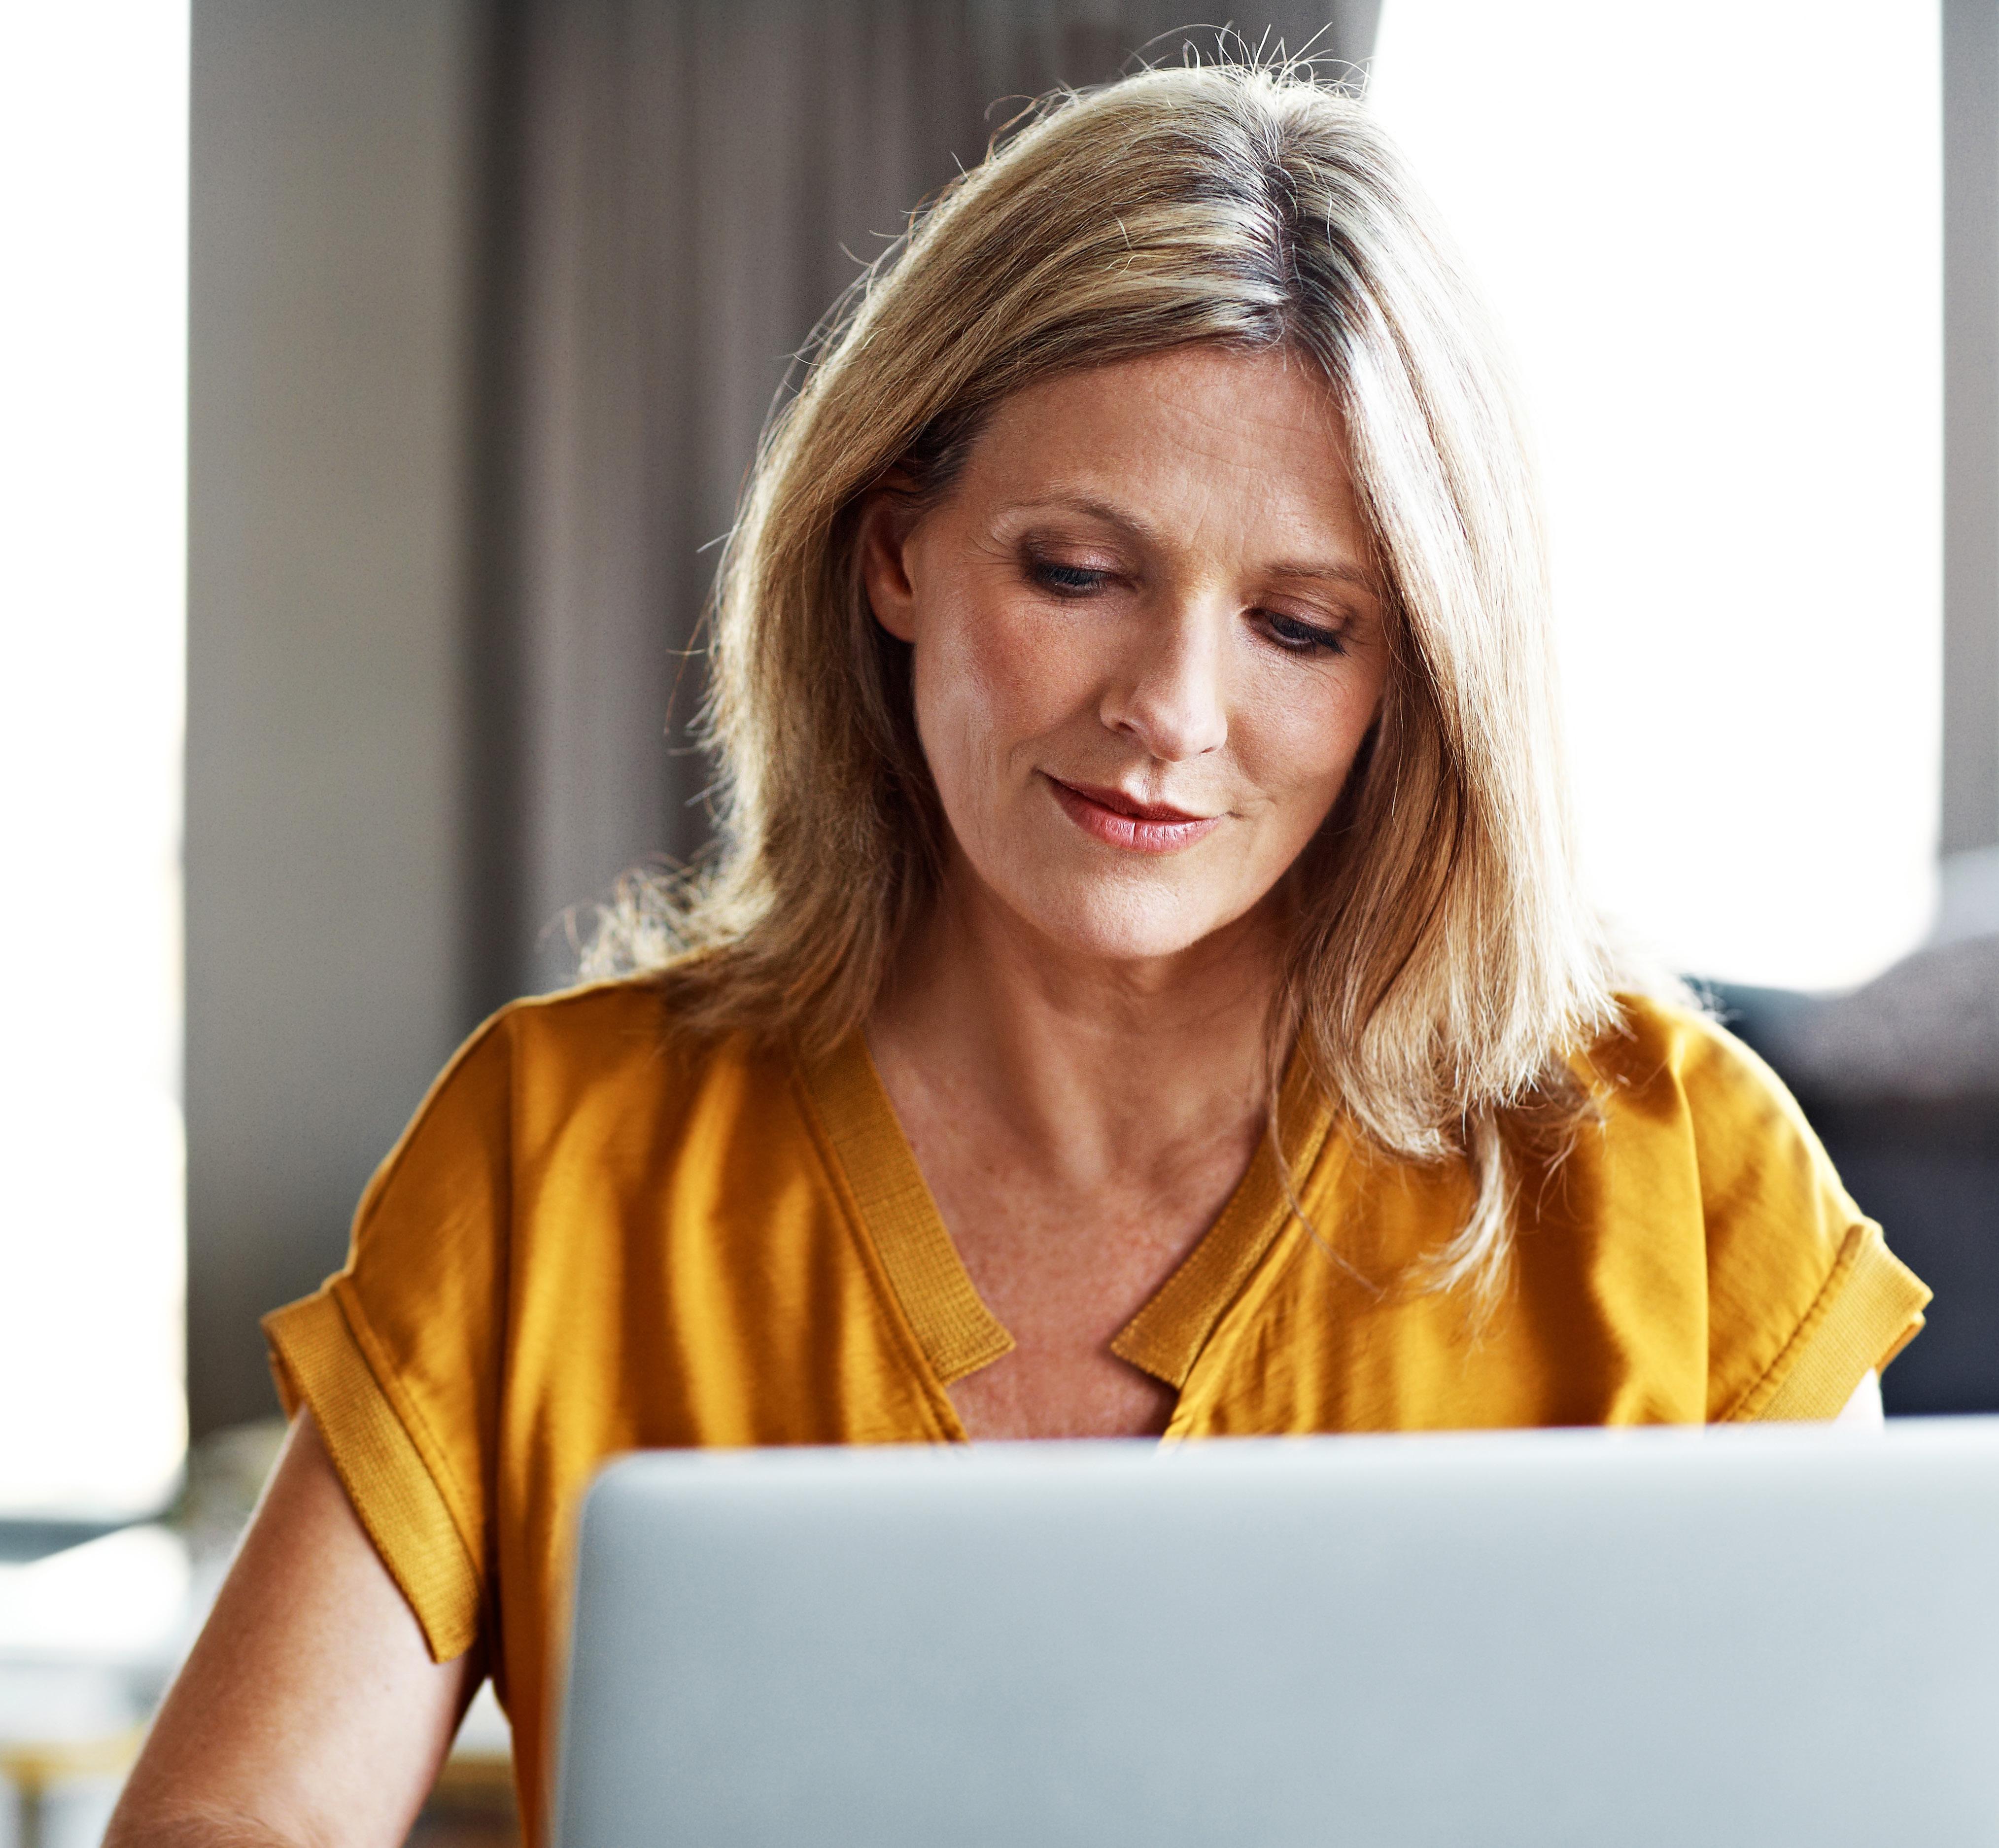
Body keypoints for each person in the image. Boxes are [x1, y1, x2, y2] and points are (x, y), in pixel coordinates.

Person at [108, 60, 1930, 1848]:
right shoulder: (560, 1158)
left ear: (1419, 673)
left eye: (1303, 627)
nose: (1170, 712)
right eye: (1074, 574)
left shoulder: (1681, 1183)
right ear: (895, 550)